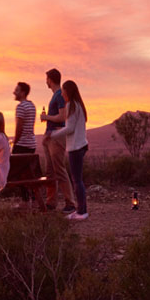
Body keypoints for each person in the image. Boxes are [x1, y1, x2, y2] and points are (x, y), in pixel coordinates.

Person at [48, 80, 89, 220]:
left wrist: (53, 134)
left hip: (76, 147)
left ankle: (82, 212)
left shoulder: (71, 105)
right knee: (77, 179)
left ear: (68, 91)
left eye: (63, 91)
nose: (62, 94)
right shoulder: (78, 105)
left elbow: (70, 128)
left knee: (77, 180)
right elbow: (73, 127)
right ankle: (81, 209)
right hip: (81, 145)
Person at [40, 68, 76, 214]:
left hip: (57, 135)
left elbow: (62, 117)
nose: (46, 81)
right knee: (50, 171)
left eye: (47, 79)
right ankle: (51, 202)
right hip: (50, 135)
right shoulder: (55, 96)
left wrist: (46, 117)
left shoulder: (60, 95)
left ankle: (70, 203)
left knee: (59, 169)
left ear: (51, 80)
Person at [12, 82, 36, 155]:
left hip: (21, 145)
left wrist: (14, 143)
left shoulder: (21, 107)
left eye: (17, 90)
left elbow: (19, 128)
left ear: (23, 93)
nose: (14, 92)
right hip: (32, 145)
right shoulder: (32, 105)